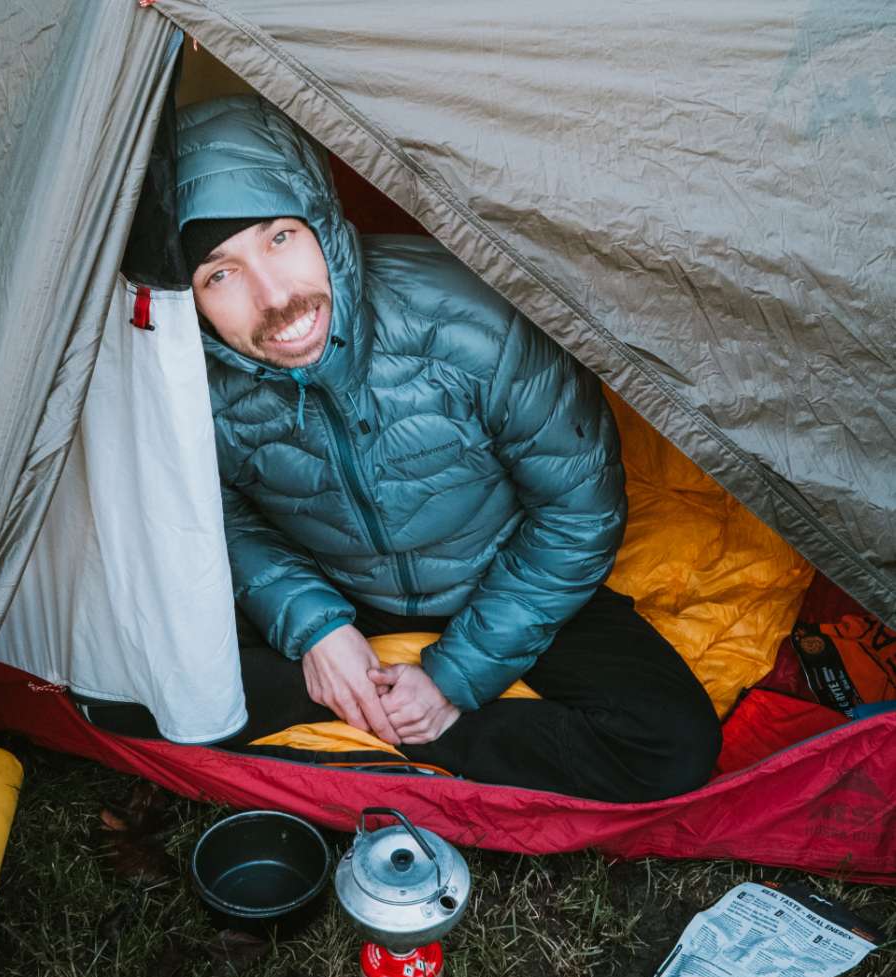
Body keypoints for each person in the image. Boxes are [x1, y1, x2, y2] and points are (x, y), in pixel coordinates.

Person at [131, 95, 720, 802]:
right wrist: (313, 624)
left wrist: (453, 681)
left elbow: (577, 510)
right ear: (189, 300)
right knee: (138, 689)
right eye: (219, 275)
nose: (274, 298)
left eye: (280, 238)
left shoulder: (472, 319)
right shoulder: (187, 378)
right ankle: (375, 708)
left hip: (501, 572)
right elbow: (215, 513)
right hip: (338, 583)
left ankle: (405, 732)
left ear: (322, 222)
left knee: (672, 744)